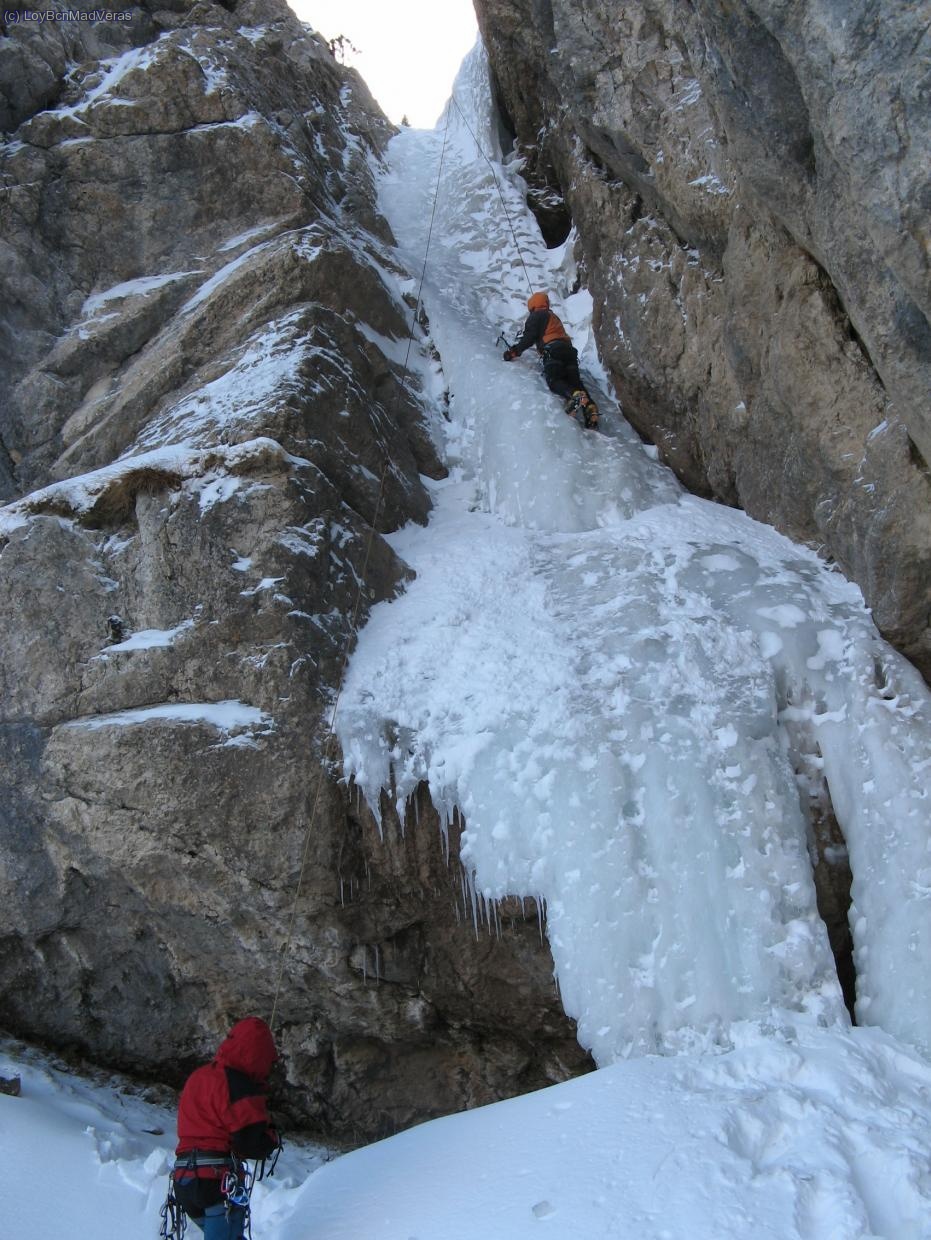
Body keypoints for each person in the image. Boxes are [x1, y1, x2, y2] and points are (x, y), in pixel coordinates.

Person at [169, 1017, 281, 1240]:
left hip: (184, 1179)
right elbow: (252, 1143)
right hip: (216, 1183)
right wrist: (272, 1135)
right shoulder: (239, 1084)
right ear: (259, 1056)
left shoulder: (199, 1076)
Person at [503, 291, 599, 428]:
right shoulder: (553, 316)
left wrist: (514, 352)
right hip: (569, 352)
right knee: (575, 382)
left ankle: (574, 396)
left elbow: (529, 337)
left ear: (532, 307)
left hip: (553, 351)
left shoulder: (536, 316)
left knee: (554, 380)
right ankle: (590, 410)